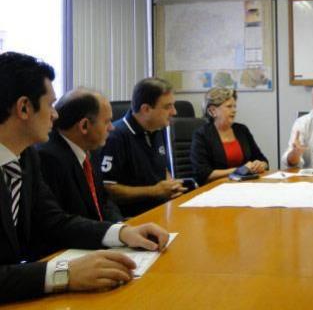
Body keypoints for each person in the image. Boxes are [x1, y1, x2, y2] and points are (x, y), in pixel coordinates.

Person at [0, 52, 169, 304]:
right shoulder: (41, 156)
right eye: (50, 105)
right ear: (24, 107)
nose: (56, 115)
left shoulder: (26, 158)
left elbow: (54, 221)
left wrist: (122, 232)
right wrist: (64, 273)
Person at [100, 77, 186, 217]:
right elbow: (108, 189)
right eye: (167, 107)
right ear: (146, 109)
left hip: (162, 210)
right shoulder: (115, 136)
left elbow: (161, 168)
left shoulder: (158, 128)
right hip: (134, 218)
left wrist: (171, 186)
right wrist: (154, 191)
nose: (174, 112)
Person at [37, 88, 122, 222]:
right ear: (84, 126)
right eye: (107, 122)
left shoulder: (91, 148)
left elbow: (104, 201)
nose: (112, 127)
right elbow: (59, 221)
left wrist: (119, 226)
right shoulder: (48, 159)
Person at [190, 87, 268, 185]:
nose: (234, 110)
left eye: (234, 106)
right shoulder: (201, 135)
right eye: (229, 106)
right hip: (216, 187)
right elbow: (203, 174)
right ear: (213, 111)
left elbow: (262, 159)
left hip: (245, 185)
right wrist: (239, 170)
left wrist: (261, 165)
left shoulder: (242, 130)